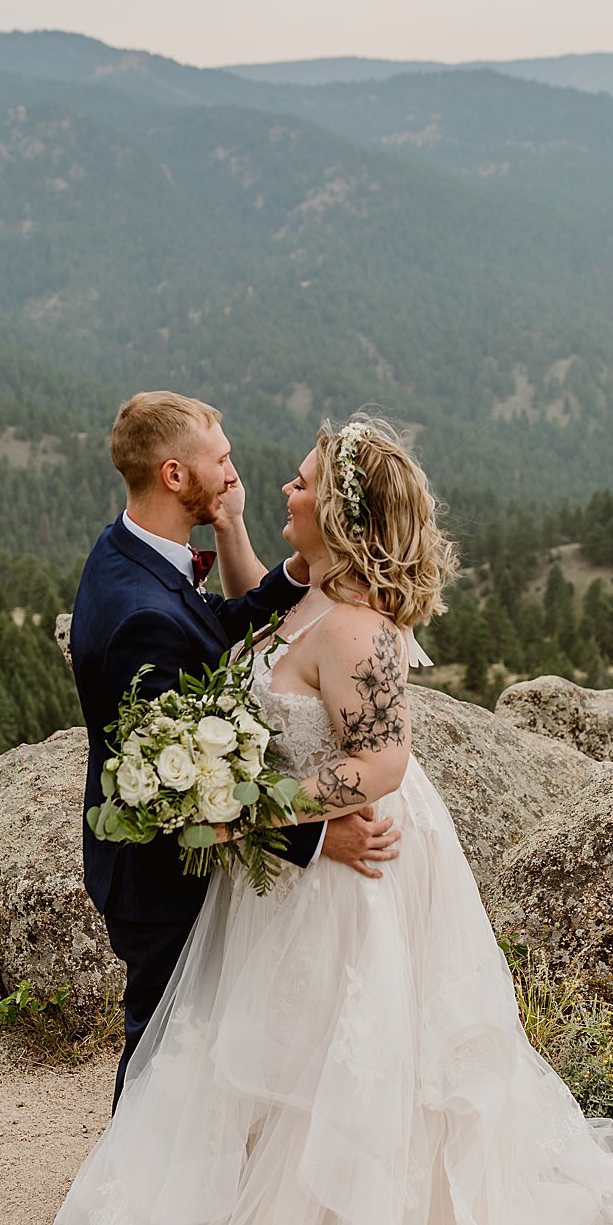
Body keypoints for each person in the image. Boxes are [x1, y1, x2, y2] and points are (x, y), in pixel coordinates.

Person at [54, 414, 613, 1225]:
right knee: (267, 1059)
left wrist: (264, 805)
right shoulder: (310, 580)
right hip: (296, 877)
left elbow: (384, 765)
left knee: (335, 1065)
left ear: (339, 512)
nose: (284, 487)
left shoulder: (360, 631)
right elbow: (265, 606)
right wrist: (246, 533)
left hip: (354, 880)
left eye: (298, 482)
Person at [70, 391, 402, 1106]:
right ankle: (139, 1194)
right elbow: (178, 785)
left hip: (202, 861)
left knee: (204, 1039)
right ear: (173, 475)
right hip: (158, 871)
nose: (235, 475)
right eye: (219, 461)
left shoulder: (128, 552)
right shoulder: (139, 614)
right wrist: (313, 839)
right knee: (165, 1039)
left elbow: (209, 627)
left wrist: (279, 567)